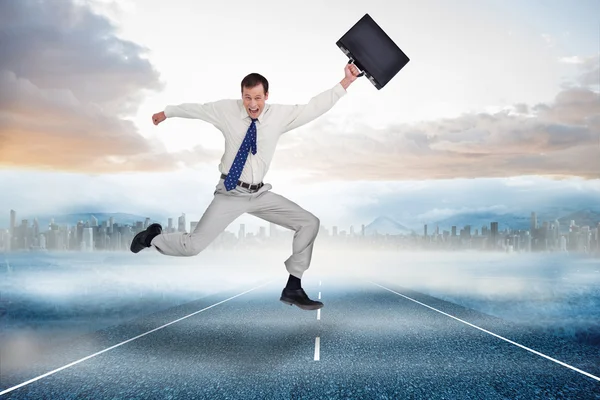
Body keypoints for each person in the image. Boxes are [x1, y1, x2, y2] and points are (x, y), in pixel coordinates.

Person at [130, 62, 361, 310]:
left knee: (309, 222)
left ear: (266, 96)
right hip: (230, 192)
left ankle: (293, 286)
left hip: (259, 193)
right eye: (248, 97)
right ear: (242, 96)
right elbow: (197, 109)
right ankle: (152, 238)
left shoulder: (279, 116)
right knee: (193, 246)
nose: (253, 104)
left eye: (258, 98)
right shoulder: (226, 110)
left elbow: (314, 107)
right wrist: (168, 112)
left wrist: (346, 81)